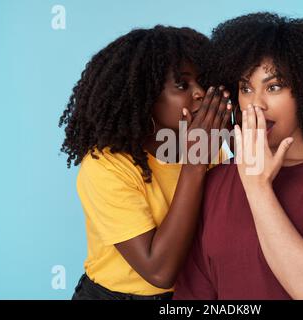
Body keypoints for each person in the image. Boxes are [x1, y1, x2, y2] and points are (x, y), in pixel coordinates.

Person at [173, 12, 303, 300]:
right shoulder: (216, 179)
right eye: (246, 88)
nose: (256, 104)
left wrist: (258, 186)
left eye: (274, 87)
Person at [58, 25, 231, 300]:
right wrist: (195, 165)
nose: (199, 93)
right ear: (146, 96)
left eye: (202, 81)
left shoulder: (210, 151)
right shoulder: (105, 166)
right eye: (182, 85)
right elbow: (159, 271)